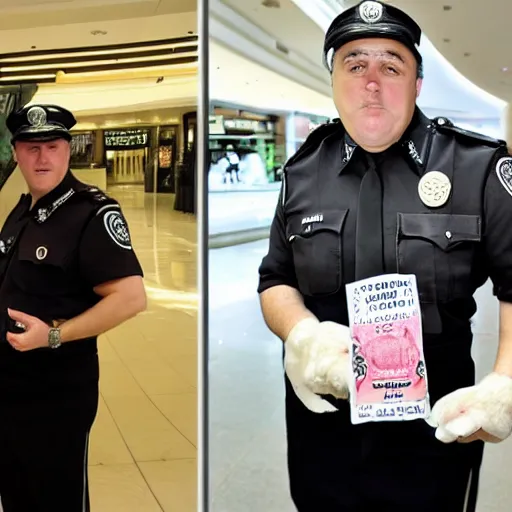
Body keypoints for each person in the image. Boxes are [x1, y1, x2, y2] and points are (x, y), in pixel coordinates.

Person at [257, 1, 512, 511]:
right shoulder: (301, 173)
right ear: (333, 79)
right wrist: (301, 332)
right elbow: (275, 279)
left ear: (417, 83)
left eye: (390, 65)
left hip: (435, 430)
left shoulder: (479, 168)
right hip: (323, 425)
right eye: (355, 64)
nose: (371, 81)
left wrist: (506, 381)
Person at [0, 103, 146, 511]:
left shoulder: (92, 212)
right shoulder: (21, 210)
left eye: (51, 146)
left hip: (54, 394)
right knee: (16, 494)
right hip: (9, 388)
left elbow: (131, 297)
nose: (41, 157)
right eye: (30, 147)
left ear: (69, 150)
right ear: (15, 153)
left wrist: (53, 335)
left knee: (56, 498)